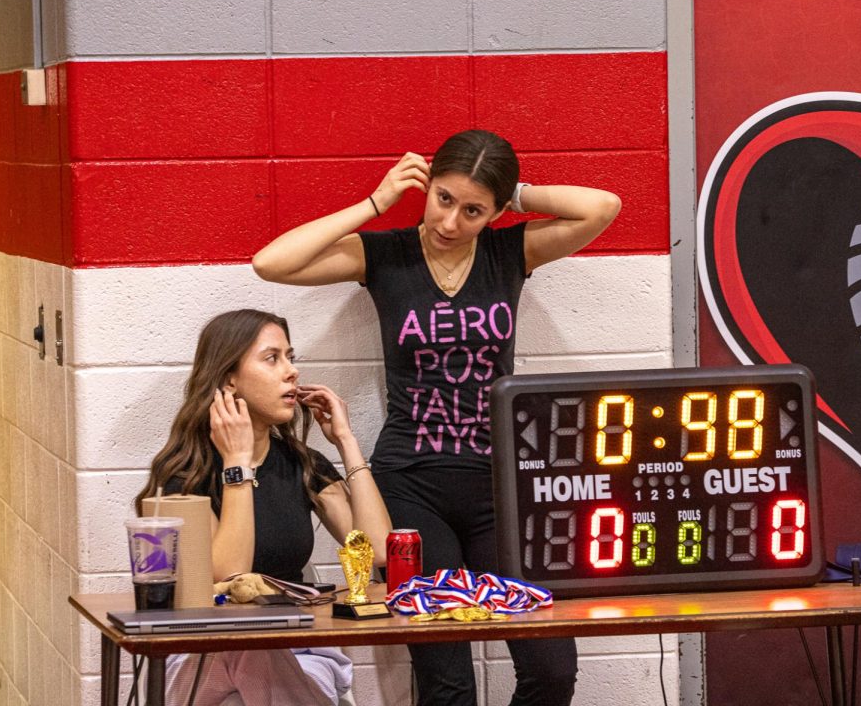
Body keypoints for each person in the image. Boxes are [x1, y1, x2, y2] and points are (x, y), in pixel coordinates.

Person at [252, 129, 622, 706]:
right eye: (443, 199)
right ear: (427, 187)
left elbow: (604, 206)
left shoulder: (509, 252)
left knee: (551, 668)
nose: (451, 221)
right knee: (448, 685)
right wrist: (375, 203)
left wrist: (514, 196)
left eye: (473, 210)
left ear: (494, 211)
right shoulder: (385, 254)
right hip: (411, 485)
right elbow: (271, 263)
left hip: (499, 486)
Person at [136, 309, 391, 706]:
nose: (291, 372)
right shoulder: (185, 475)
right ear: (228, 379)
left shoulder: (301, 464)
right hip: (201, 656)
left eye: (291, 358)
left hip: (299, 654)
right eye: (273, 359)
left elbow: (378, 551)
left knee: (254, 658)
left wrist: (346, 441)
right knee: (245, 641)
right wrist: (236, 464)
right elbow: (228, 575)